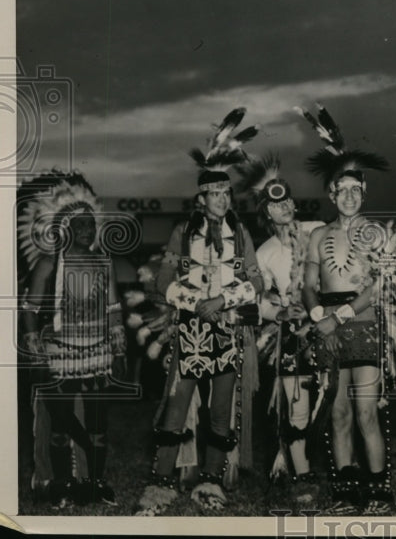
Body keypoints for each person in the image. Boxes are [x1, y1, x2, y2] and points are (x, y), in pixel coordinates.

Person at [137, 108, 263, 515]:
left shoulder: (240, 233)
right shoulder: (183, 232)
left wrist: (222, 301)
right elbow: (163, 282)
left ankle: (211, 481)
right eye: (215, 194)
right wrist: (196, 303)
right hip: (191, 328)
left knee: (221, 408)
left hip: (226, 326)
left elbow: (258, 282)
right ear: (201, 198)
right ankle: (160, 483)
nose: (222, 199)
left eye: (227, 193)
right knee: (178, 403)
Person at [300, 103, 395, 516]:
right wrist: (317, 314)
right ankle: (344, 489)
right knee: (337, 413)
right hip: (328, 328)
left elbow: (377, 287)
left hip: (364, 324)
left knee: (365, 411)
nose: (351, 196)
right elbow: (307, 285)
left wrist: (339, 316)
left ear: (364, 193)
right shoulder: (317, 235)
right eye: (344, 190)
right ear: (332, 194)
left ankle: (378, 490)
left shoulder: (375, 232)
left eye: (358, 190)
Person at [19, 172, 125, 508]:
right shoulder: (48, 264)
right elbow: (30, 308)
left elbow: (113, 307)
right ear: (64, 228)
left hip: (97, 354)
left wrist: (118, 340)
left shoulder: (102, 262)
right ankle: (62, 485)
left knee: (97, 427)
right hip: (59, 354)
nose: (86, 230)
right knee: (60, 427)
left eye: (91, 225)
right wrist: (34, 344)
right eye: (79, 225)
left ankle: (94, 483)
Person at [242, 155, 325, 501]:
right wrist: (275, 313)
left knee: (335, 402)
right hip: (292, 334)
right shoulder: (263, 254)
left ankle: (347, 471)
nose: (285, 208)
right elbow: (253, 300)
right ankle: (301, 476)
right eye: (276, 205)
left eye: (288, 200)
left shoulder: (317, 230)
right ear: (266, 213)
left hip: (330, 325)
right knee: (296, 403)